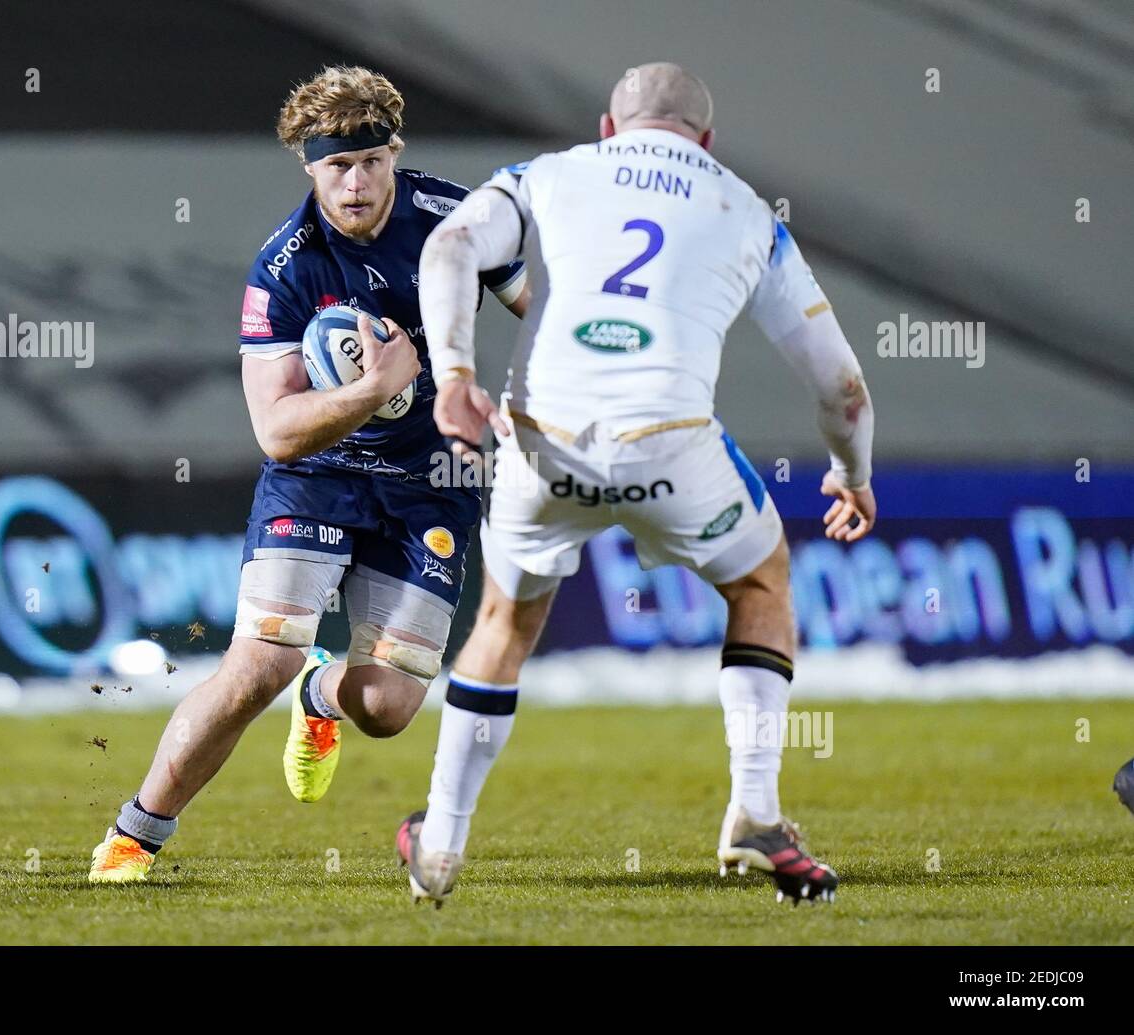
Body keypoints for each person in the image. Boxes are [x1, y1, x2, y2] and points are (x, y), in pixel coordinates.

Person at [398, 62, 876, 906]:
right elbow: (841, 386)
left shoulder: (545, 176)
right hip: (669, 445)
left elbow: (448, 246)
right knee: (761, 580)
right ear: (706, 140)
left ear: (609, 129)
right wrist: (851, 472)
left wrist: (453, 375)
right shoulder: (746, 210)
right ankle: (756, 816)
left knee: (504, 622)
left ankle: (438, 843)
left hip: (542, 439)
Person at [89, 65, 526, 883]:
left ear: (396, 152)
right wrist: (370, 389)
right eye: (336, 166)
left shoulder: (458, 224)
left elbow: (541, 307)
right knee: (258, 664)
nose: (355, 183)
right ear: (308, 167)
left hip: (428, 479)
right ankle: (134, 833)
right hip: (317, 477)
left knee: (389, 710)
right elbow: (276, 430)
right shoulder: (283, 268)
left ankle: (322, 697)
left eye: (370, 161)